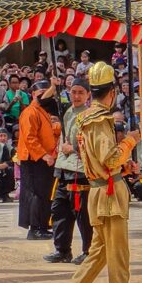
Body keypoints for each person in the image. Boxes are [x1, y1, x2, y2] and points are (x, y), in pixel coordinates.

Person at [49, 62, 142, 283]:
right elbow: (109, 159)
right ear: (112, 92)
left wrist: (124, 164)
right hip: (108, 194)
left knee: (99, 254)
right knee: (118, 257)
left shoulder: (88, 118)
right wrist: (130, 141)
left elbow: (104, 159)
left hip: (102, 190)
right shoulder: (99, 119)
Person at [44, 78, 93, 266]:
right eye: (74, 92)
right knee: (59, 210)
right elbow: (44, 103)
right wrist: (53, 86)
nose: (77, 95)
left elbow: (90, 142)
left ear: (88, 94)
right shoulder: (67, 111)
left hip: (79, 169)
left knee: (81, 212)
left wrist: (72, 148)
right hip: (63, 167)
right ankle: (62, 249)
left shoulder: (90, 115)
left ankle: (88, 250)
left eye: (81, 92)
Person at [17, 80, 60, 240]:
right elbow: (30, 138)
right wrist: (43, 155)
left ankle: (42, 225)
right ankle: (34, 228)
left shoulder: (43, 111)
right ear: (33, 95)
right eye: (41, 93)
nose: (44, 95)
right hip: (33, 158)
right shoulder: (30, 112)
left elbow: (47, 133)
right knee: (35, 193)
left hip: (44, 158)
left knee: (44, 192)